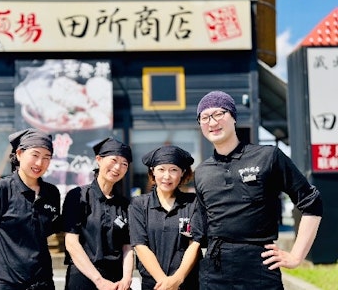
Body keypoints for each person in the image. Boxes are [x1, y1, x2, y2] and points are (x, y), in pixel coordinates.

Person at [194, 90, 323, 289]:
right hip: (215, 270)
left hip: (259, 265)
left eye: (219, 113)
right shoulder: (202, 172)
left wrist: (297, 255)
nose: (212, 122)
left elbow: (312, 202)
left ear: (233, 117)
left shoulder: (268, 156)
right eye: (205, 117)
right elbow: (201, 231)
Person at [0, 128, 61, 290]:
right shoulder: (1, 189)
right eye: (35, 155)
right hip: (6, 282)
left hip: (42, 281)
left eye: (46, 157)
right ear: (19, 154)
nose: (40, 163)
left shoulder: (51, 193)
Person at [62, 137, 134, 290]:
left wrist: (126, 279)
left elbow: (127, 247)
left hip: (116, 281)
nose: (117, 167)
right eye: (113, 160)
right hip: (84, 278)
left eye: (124, 164)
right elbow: (71, 243)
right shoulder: (78, 196)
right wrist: (99, 281)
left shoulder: (125, 204)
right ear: (99, 160)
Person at [129, 145, 204, 290]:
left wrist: (177, 279)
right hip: (154, 285)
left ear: (182, 173)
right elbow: (140, 245)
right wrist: (165, 283)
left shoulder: (193, 202)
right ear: (153, 172)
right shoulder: (138, 204)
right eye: (161, 169)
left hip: (188, 283)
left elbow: (195, 243)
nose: (166, 176)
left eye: (173, 170)